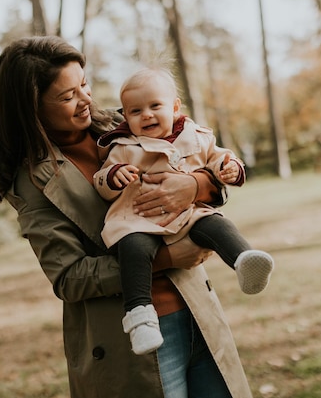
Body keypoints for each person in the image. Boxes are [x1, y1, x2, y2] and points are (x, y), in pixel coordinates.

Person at [0, 35, 254, 398]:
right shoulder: (33, 180)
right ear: (31, 107)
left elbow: (206, 163)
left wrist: (195, 185)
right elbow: (69, 278)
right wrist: (167, 258)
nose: (85, 99)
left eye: (83, 84)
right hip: (128, 338)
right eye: (67, 96)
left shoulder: (126, 122)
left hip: (197, 309)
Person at [93, 67, 274, 356]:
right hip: (139, 219)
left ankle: (243, 260)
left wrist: (230, 168)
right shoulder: (124, 146)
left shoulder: (197, 136)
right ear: (125, 116)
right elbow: (101, 180)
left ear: (175, 107)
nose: (147, 115)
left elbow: (221, 158)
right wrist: (115, 175)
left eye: (155, 106)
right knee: (133, 249)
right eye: (136, 111)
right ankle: (140, 317)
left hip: (188, 215)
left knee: (216, 224)